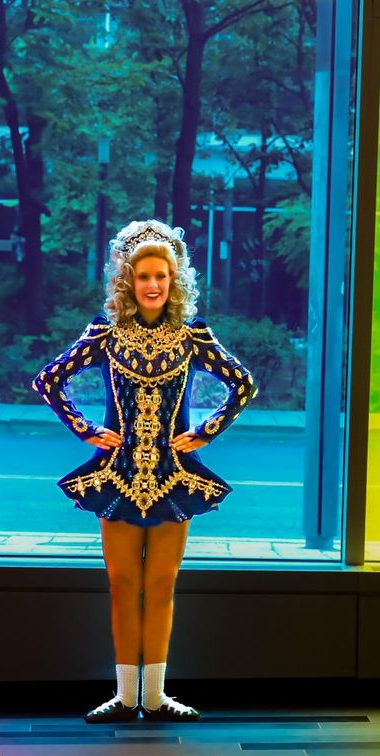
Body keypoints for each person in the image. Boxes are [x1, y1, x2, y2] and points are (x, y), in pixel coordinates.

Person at [33, 219, 257, 723]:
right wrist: (85, 429)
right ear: (127, 282)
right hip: (115, 476)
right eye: (143, 277)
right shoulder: (106, 335)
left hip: (175, 478)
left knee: (161, 585)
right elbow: (49, 380)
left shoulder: (193, 335)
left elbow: (243, 384)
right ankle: (125, 696)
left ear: (175, 281)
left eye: (162, 276)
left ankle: (154, 697)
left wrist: (207, 431)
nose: (153, 285)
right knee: (120, 584)